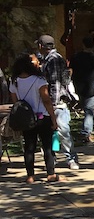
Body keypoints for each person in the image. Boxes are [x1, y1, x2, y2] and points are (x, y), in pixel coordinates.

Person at [10, 52, 59, 183]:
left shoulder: (14, 81)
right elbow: (46, 100)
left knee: (29, 147)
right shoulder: (39, 80)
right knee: (47, 146)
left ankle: (30, 176)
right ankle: (50, 173)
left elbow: (16, 102)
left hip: (26, 118)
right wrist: (53, 119)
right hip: (42, 116)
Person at [38, 34, 80, 171]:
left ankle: (71, 158)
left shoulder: (53, 59)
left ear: (41, 46)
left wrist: (53, 103)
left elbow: (55, 83)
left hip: (56, 102)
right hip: (50, 102)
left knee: (63, 131)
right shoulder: (47, 59)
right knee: (50, 132)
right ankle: (52, 158)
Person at [69, 35, 94, 143]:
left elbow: (71, 70)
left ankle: (91, 129)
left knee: (88, 110)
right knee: (89, 111)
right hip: (92, 86)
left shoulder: (76, 57)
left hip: (79, 86)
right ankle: (87, 132)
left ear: (83, 44)